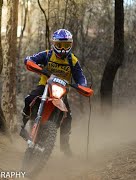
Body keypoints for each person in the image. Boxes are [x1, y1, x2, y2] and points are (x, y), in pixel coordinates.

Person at [20, 29, 88, 157]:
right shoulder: (47, 55)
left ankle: (65, 145)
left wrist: (82, 86)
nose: (62, 49)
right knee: (29, 98)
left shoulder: (72, 60)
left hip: (61, 91)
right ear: (53, 44)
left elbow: (80, 77)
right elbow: (30, 59)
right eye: (59, 45)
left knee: (68, 117)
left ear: (71, 45)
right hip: (45, 86)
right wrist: (31, 63)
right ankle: (23, 125)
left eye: (66, 45)